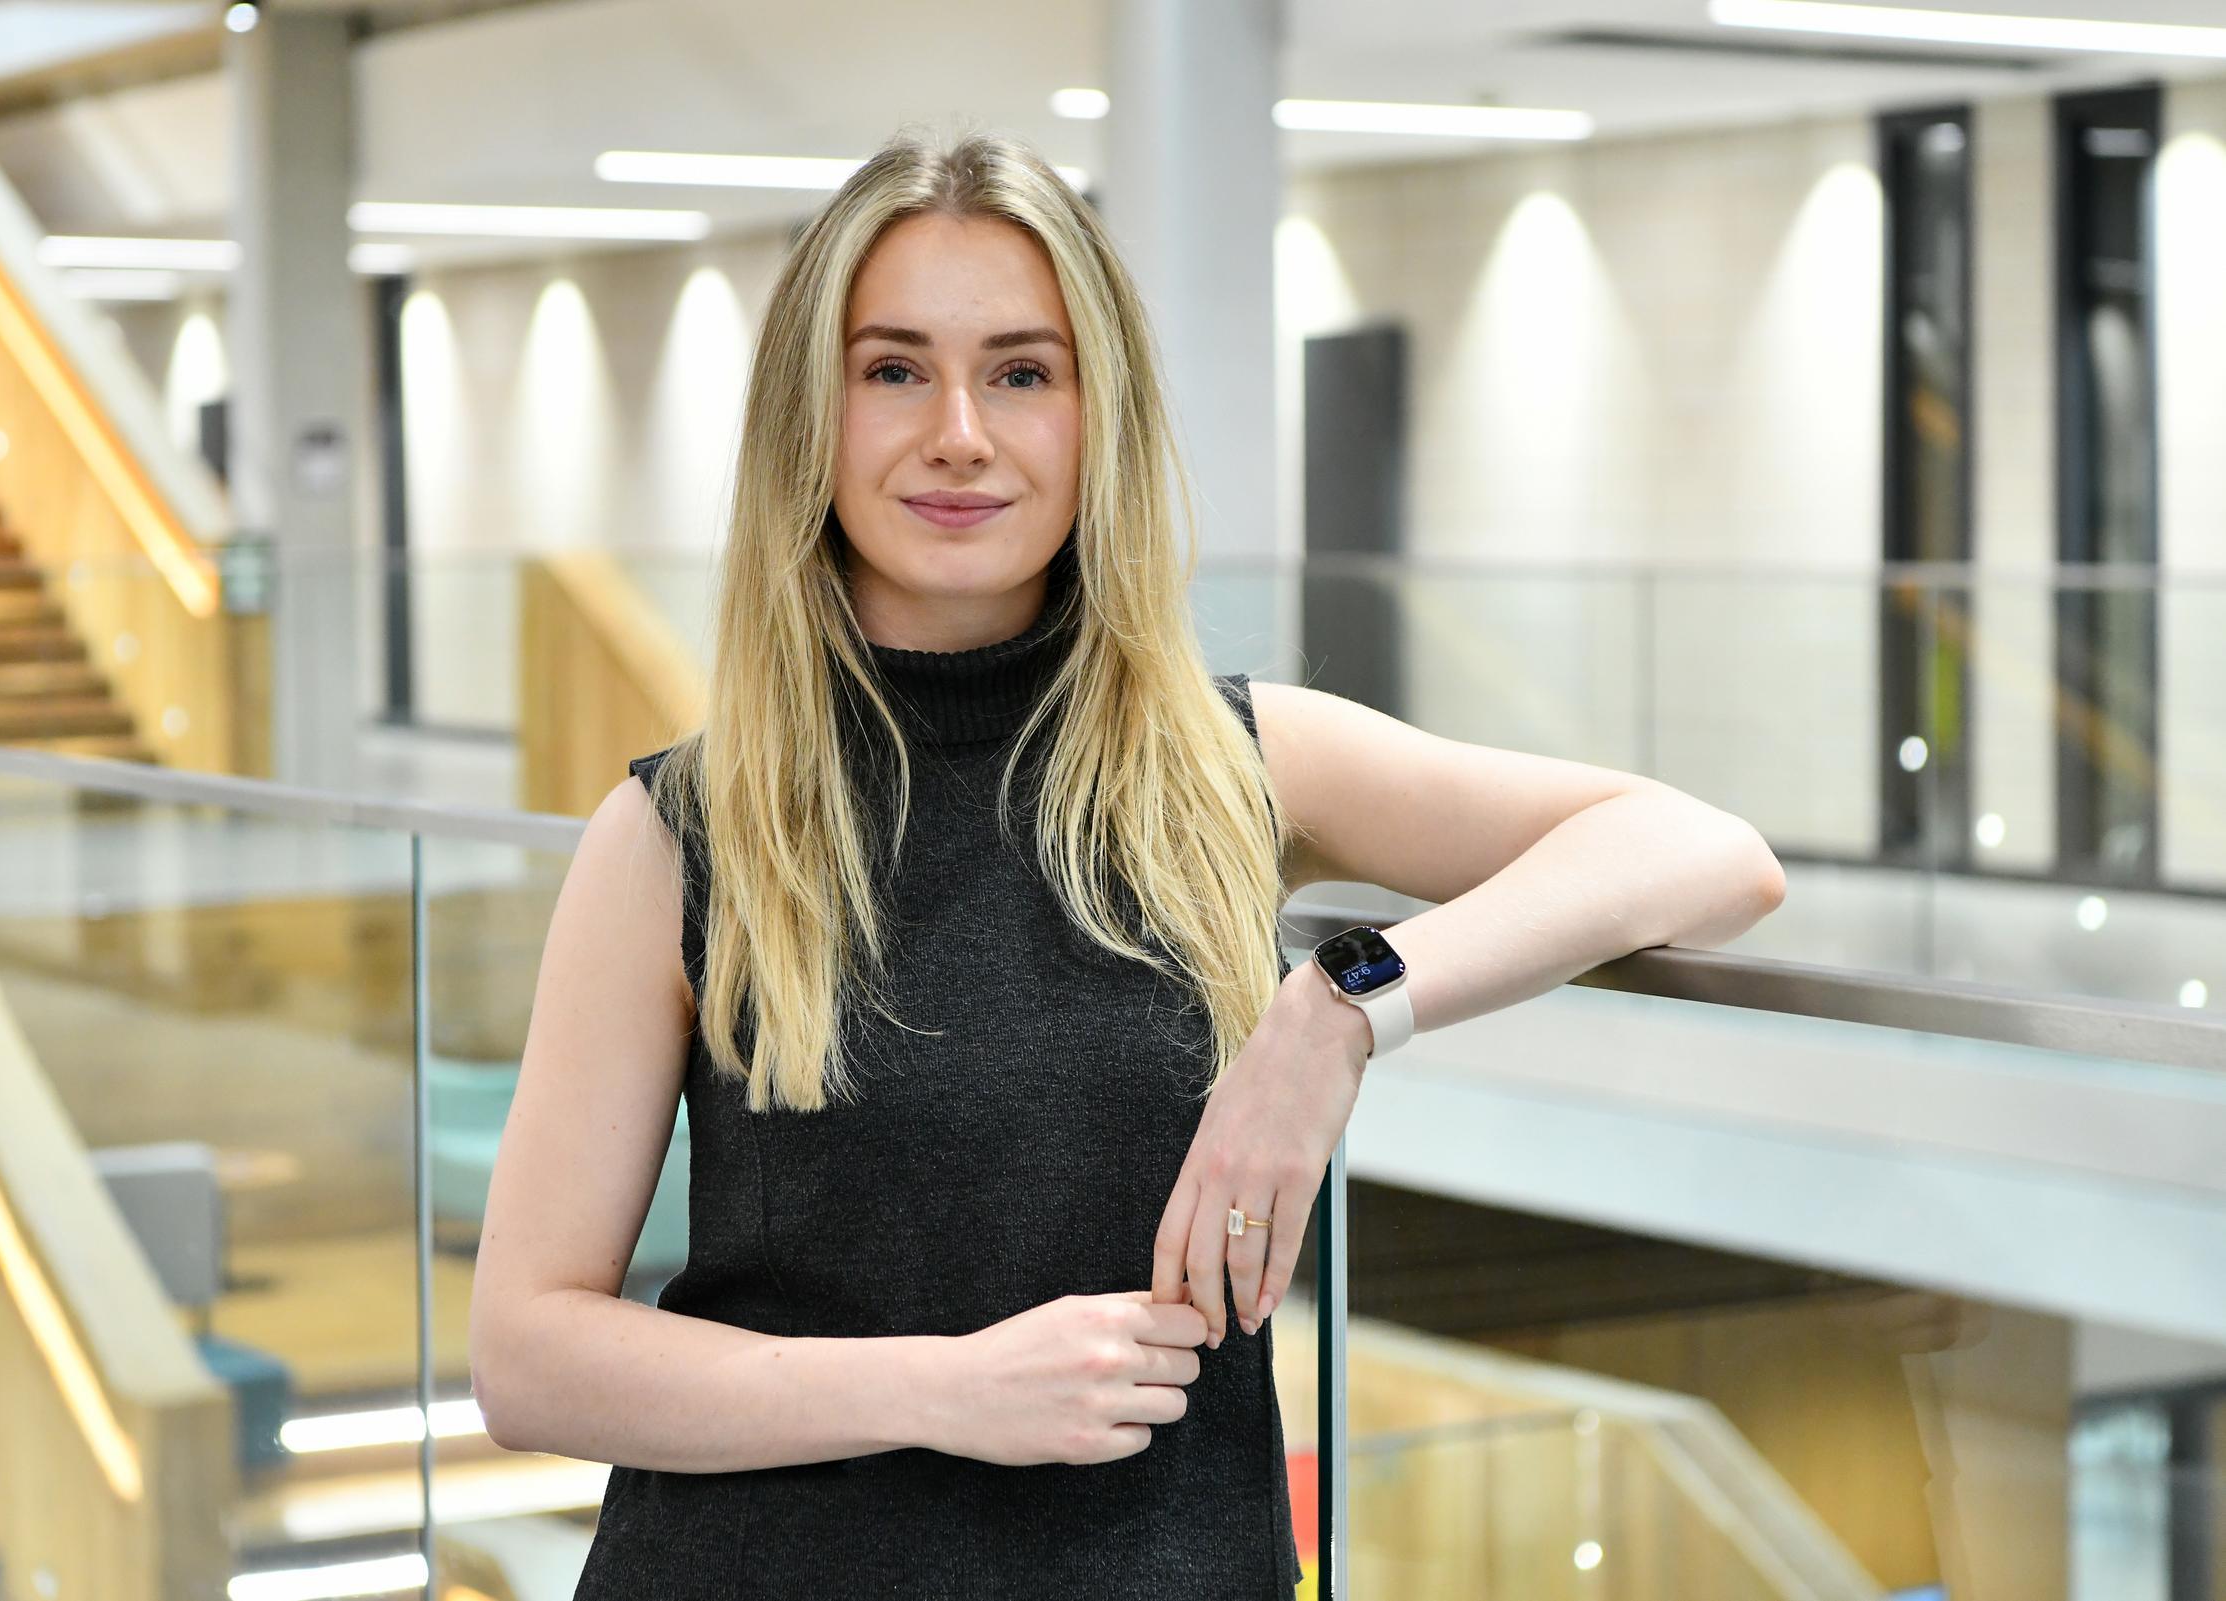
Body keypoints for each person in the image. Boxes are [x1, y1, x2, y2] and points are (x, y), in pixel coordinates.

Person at [469, 125, 1787, 1599]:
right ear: (809, 418)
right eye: (892, 369)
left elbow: (1705, 854)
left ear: (1099, 416)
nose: (959, 432)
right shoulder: (680, 836)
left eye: (1022, 373)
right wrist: (942, 1389)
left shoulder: (1233, 762)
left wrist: (1342, 1008)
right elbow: (528, 1355)